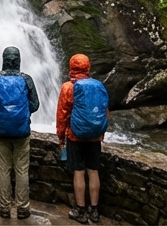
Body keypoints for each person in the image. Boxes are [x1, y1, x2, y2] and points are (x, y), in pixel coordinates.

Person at [0, 46, 40, 220]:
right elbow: (35, 105)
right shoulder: (26, 79)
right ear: (19, 60)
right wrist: (21, 113)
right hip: (22, 131)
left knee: (3, 169)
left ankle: (4, 207)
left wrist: (2, 112)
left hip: (1, 131)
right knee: (22, 169)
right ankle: (23, 207)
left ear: (4, 59)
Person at [55, 53, 109, 224]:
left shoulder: (68, 88)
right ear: (88, 67)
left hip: (75, 136)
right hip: (94, 137)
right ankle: (94, 210)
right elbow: (104, 112)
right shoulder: (98, 86)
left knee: (78, 172)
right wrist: (101, 133)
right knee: (93, 171)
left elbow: (62, 115)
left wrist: (61, 137)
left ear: (71, 67)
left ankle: (80, 209)